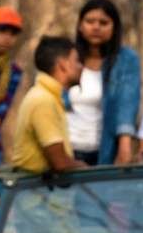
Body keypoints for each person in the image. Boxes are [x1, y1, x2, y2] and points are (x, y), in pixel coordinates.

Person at [68, 0, 141, 165]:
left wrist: (125, 146)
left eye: (103, 22)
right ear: (80, 25)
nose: (96, 27)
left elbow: (127, 104)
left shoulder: (126, 60)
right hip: (65, 151)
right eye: (90, 21)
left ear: (114, 28)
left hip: (103, 151)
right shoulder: (67, 56)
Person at [10, 36, 88, 174]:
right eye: (77, 61)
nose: (81, 67)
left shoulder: (48, 96)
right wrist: (85, 167)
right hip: (38, 193)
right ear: (62, 65)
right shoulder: (43, 100)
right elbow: (60, 163)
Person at [0, 6, 25, 155]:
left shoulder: (13, 71)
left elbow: (1, 110)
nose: (7, 38)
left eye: (13, 34)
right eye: (2, 31)